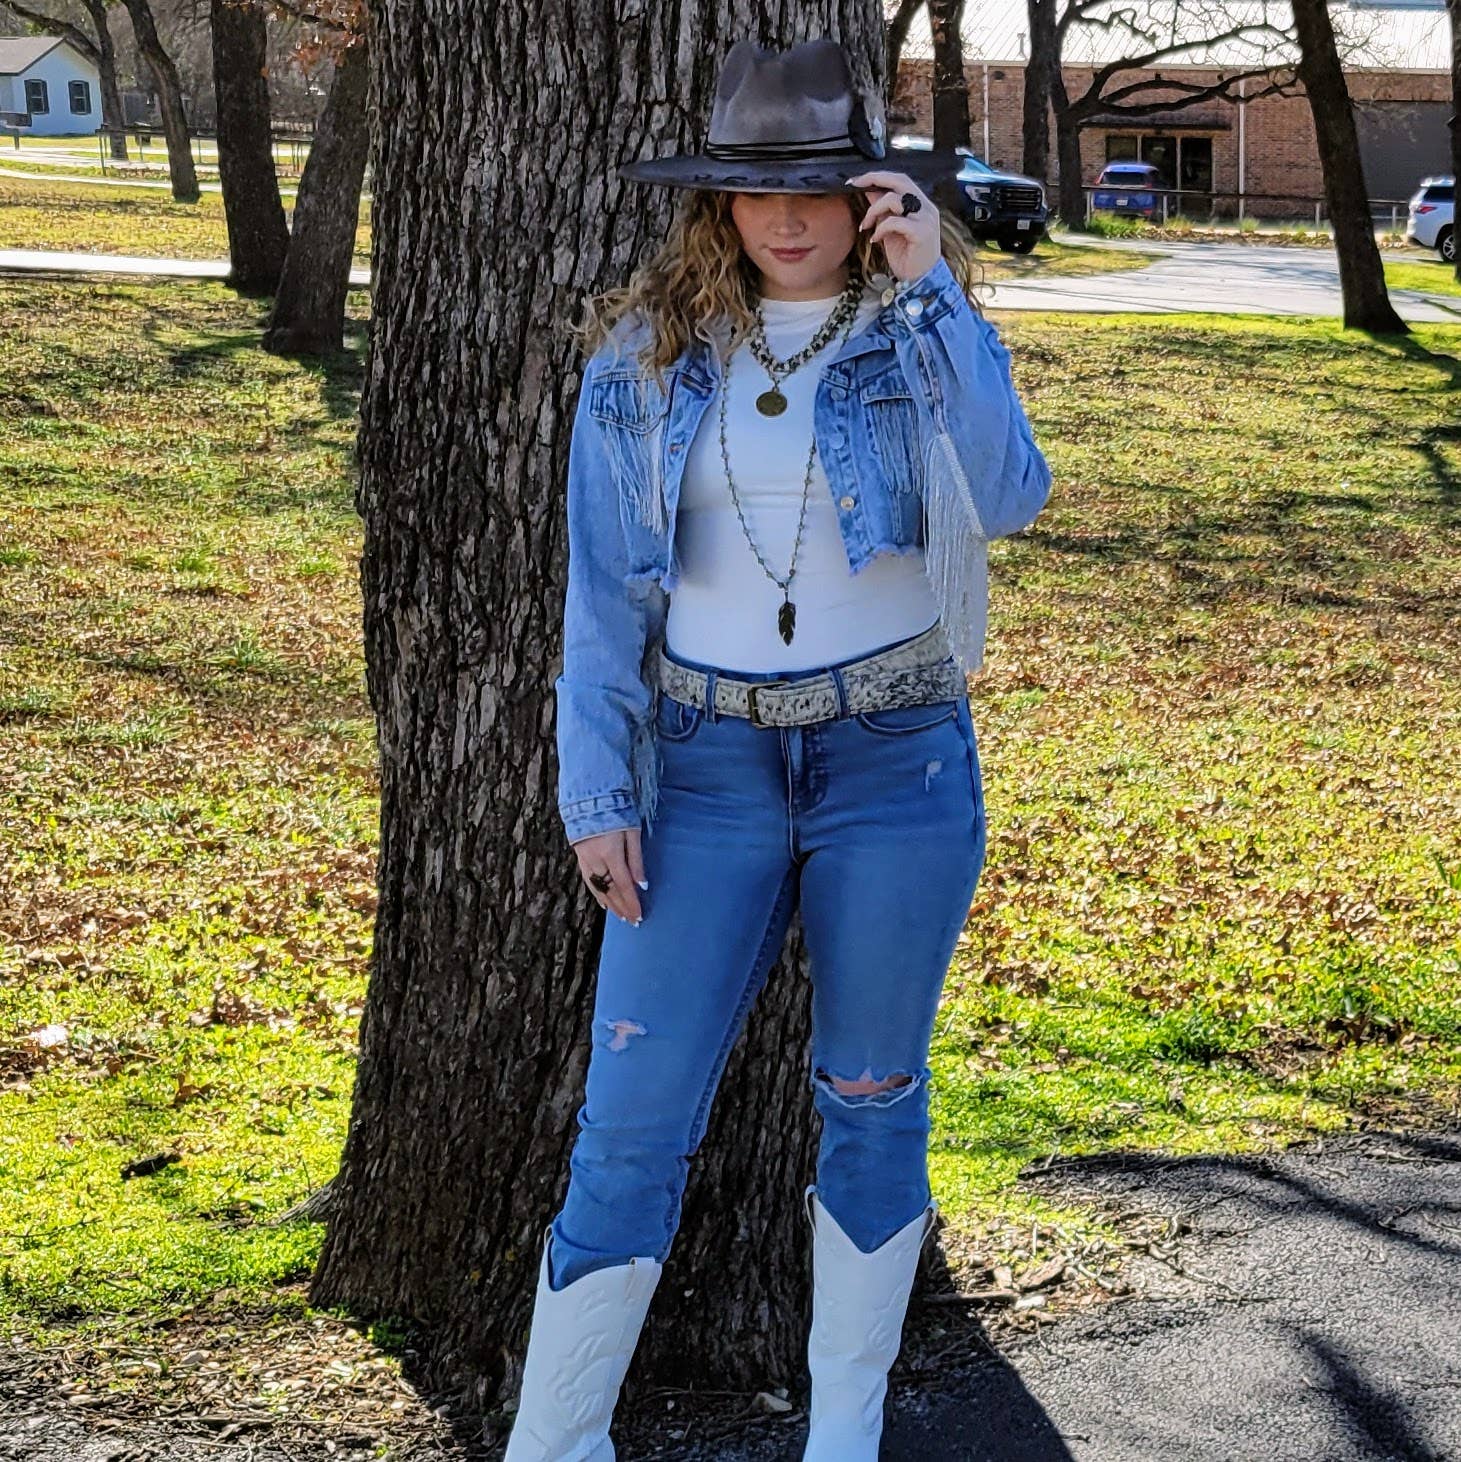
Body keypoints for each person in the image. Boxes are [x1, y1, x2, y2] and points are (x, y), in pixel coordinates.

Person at [505, 35, 1053, 1462]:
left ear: (871, 195)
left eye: (823, 190)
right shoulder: (641, 364)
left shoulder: (911, 336)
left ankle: (844, 1440)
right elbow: (601, 594)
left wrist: (933, 290)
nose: (792, 220)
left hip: (895, 760)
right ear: (716, 207)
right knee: (628, 1120)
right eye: (761, 195)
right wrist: (597, 785)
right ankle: (553, 1444)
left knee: (870, 1096)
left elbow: (1006, 494)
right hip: (701, 770)